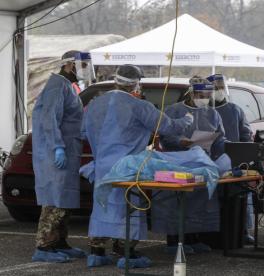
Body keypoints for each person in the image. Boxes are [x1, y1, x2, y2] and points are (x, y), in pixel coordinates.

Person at [82, 64, 193, 268]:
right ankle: (127, 252)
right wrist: (186, 120)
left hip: (102, 167)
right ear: (136, 84)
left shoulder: (95, 104)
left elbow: (83, 132)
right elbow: (166, 126)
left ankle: (96, 252)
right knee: (130, 207)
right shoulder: (139, 106)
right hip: (129, 168)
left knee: (103, 207)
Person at [31, 50, 92, 263]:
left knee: (64, 200)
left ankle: (59, 243)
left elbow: (71, 120)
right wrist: (57, 146)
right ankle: (44, 246)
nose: (86, 69)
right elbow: (49, 119)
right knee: (54, 200)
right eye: (83, 65)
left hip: (68, 151)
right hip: (55, 154)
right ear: (69, 65)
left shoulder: (68, 86)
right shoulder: (57, 85)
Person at [153, 76, 226, 254]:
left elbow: (220, 137)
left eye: (209, 94)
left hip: (202, 163)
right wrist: (181, 142)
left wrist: (222, 150)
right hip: (179, 162)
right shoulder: (174, 111)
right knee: (176, 202)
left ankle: (194, 239)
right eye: (202, 94)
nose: (206, 98)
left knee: (198, 203)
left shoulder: (212, 113)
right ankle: (173, 241)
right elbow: (165, 135)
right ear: (192, 93)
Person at [207, 73, 255, 243]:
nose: (219, 90)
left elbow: (246, 135)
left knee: (240, 196)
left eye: (221, 86)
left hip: (233, 162)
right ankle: (213, 233)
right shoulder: (205, 111)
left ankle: (242, 230)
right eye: (215, 87)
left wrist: (245, 154)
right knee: (213, 200)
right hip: (210, 162)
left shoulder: (235, 110)